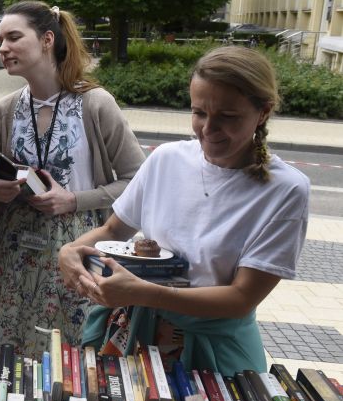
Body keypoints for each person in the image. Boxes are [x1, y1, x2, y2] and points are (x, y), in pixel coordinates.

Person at [59, 46, 310, 375]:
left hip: (213, 352)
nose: (208, 128)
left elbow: (240, 298)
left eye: (227, 117)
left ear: (262, 112)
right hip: (136, 338)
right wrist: (71, 251)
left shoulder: (286, 189)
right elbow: (113, 231)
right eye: (199, 113)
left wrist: (145, 293)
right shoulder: (167, 159)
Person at [0, 1, 145, 358]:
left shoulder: (95, 104)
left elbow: (138, 182)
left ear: (48, 39)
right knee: (6, 357)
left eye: (14, 37)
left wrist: (74, 199)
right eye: (0, 39)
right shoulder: (5, 109)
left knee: (68, 360)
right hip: (10, 253)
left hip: (75, 250)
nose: (3, 48)